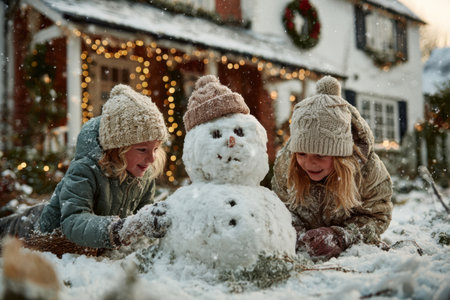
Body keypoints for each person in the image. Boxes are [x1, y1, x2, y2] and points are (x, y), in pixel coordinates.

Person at [0, 84, 171, 252]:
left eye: (156, 148)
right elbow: (73, 221)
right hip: (36, 231)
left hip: (82, 243)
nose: (152, 158)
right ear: (117, 148)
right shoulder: (85, 169)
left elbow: (142, 214)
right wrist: (120, 229)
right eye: (142, 149)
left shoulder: (144, 174)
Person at [271, 76, 393, 260]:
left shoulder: (368, 172)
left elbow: (377, 215)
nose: (309, 163)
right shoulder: (287, 166)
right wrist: (295, 230)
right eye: (302, 154)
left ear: (341, 156)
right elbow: (278, 206)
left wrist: (341, 236)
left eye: (320, 155)